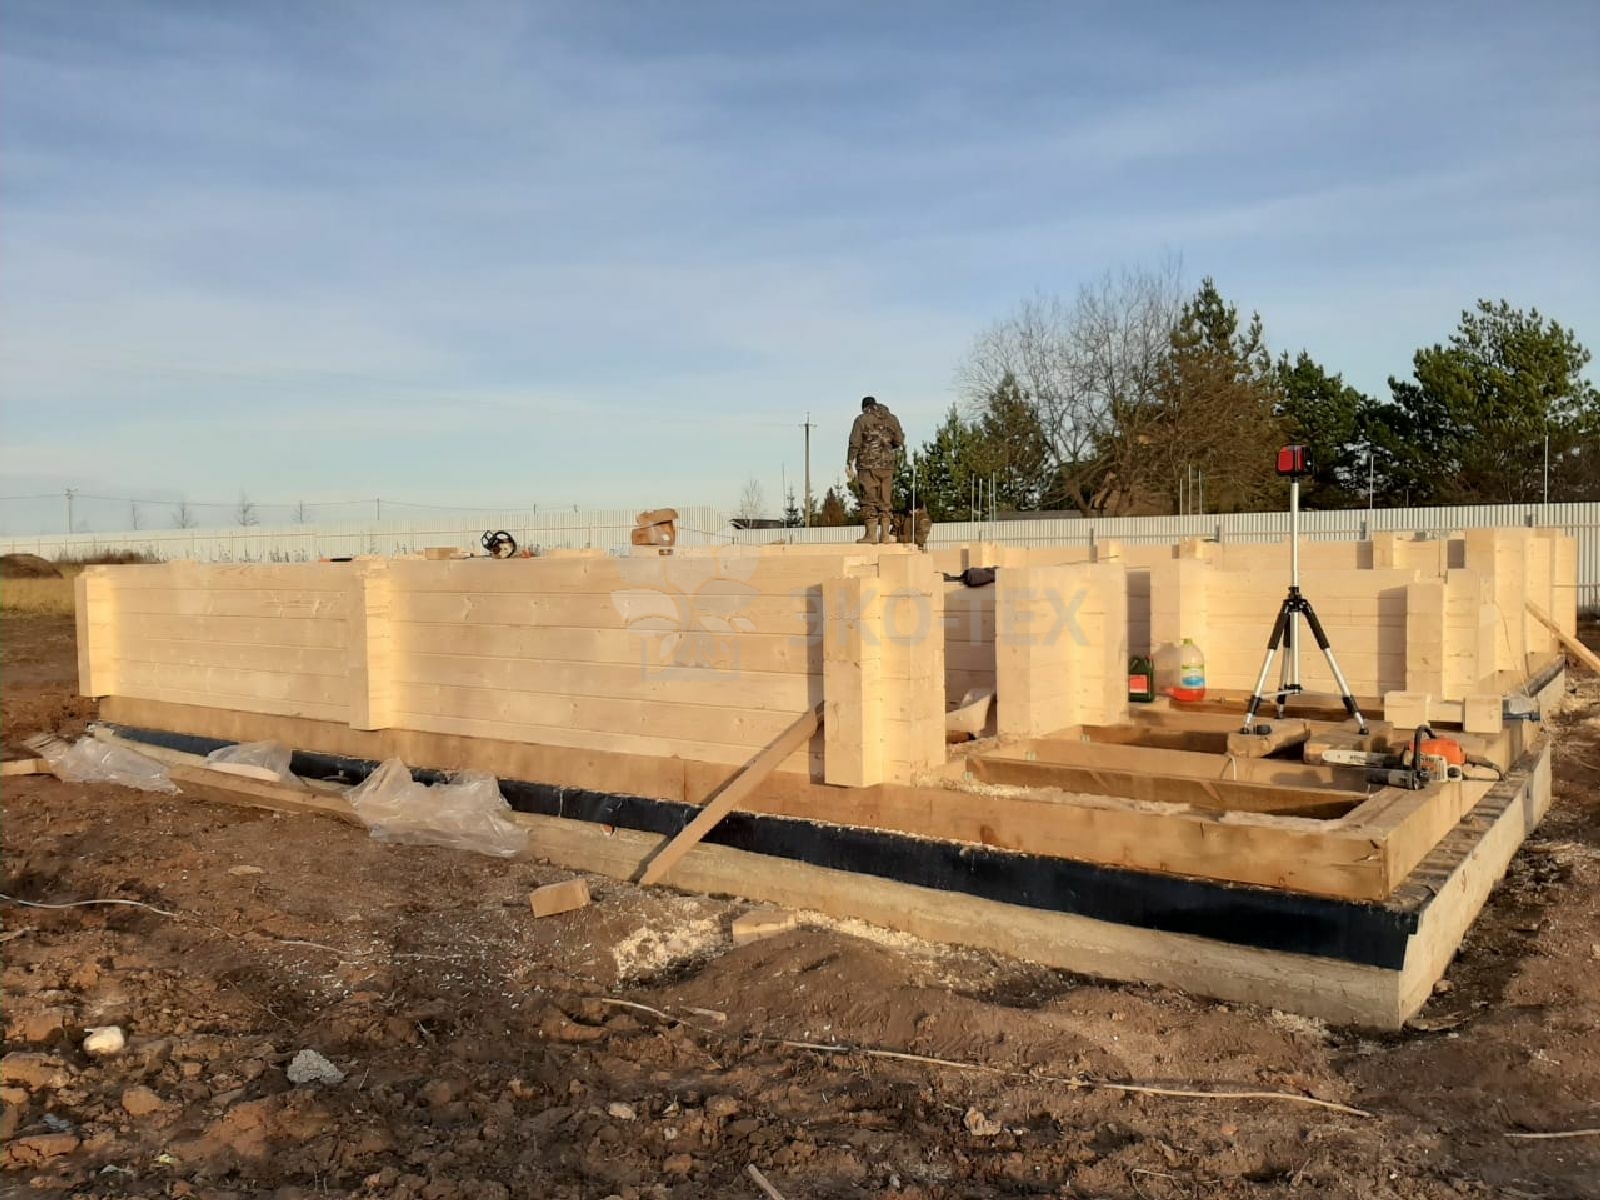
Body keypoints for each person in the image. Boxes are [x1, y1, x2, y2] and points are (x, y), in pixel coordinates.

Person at [846, 396, 905, 544]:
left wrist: (850, 462)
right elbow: (899, 440)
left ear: (864, 407)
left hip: (867, 466)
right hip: (887, 466)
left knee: (869, 499)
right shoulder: (892, 419)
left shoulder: (861, 420)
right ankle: (885, 535)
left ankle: (871, 535)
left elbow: (855, 442)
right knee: (885, 500)